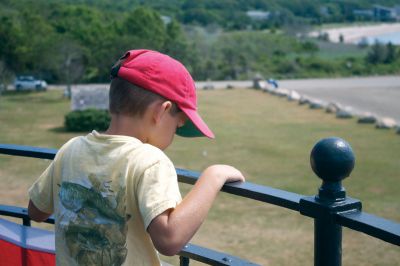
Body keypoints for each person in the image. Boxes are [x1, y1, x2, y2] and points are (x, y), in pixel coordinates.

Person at [28, 49, 245, 265]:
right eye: (176, 126)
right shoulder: (150, 160)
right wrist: (213, 176)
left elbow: (36, 211)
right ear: (161, 111)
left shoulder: (71, 148)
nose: (173, 136)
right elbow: (169, 239)